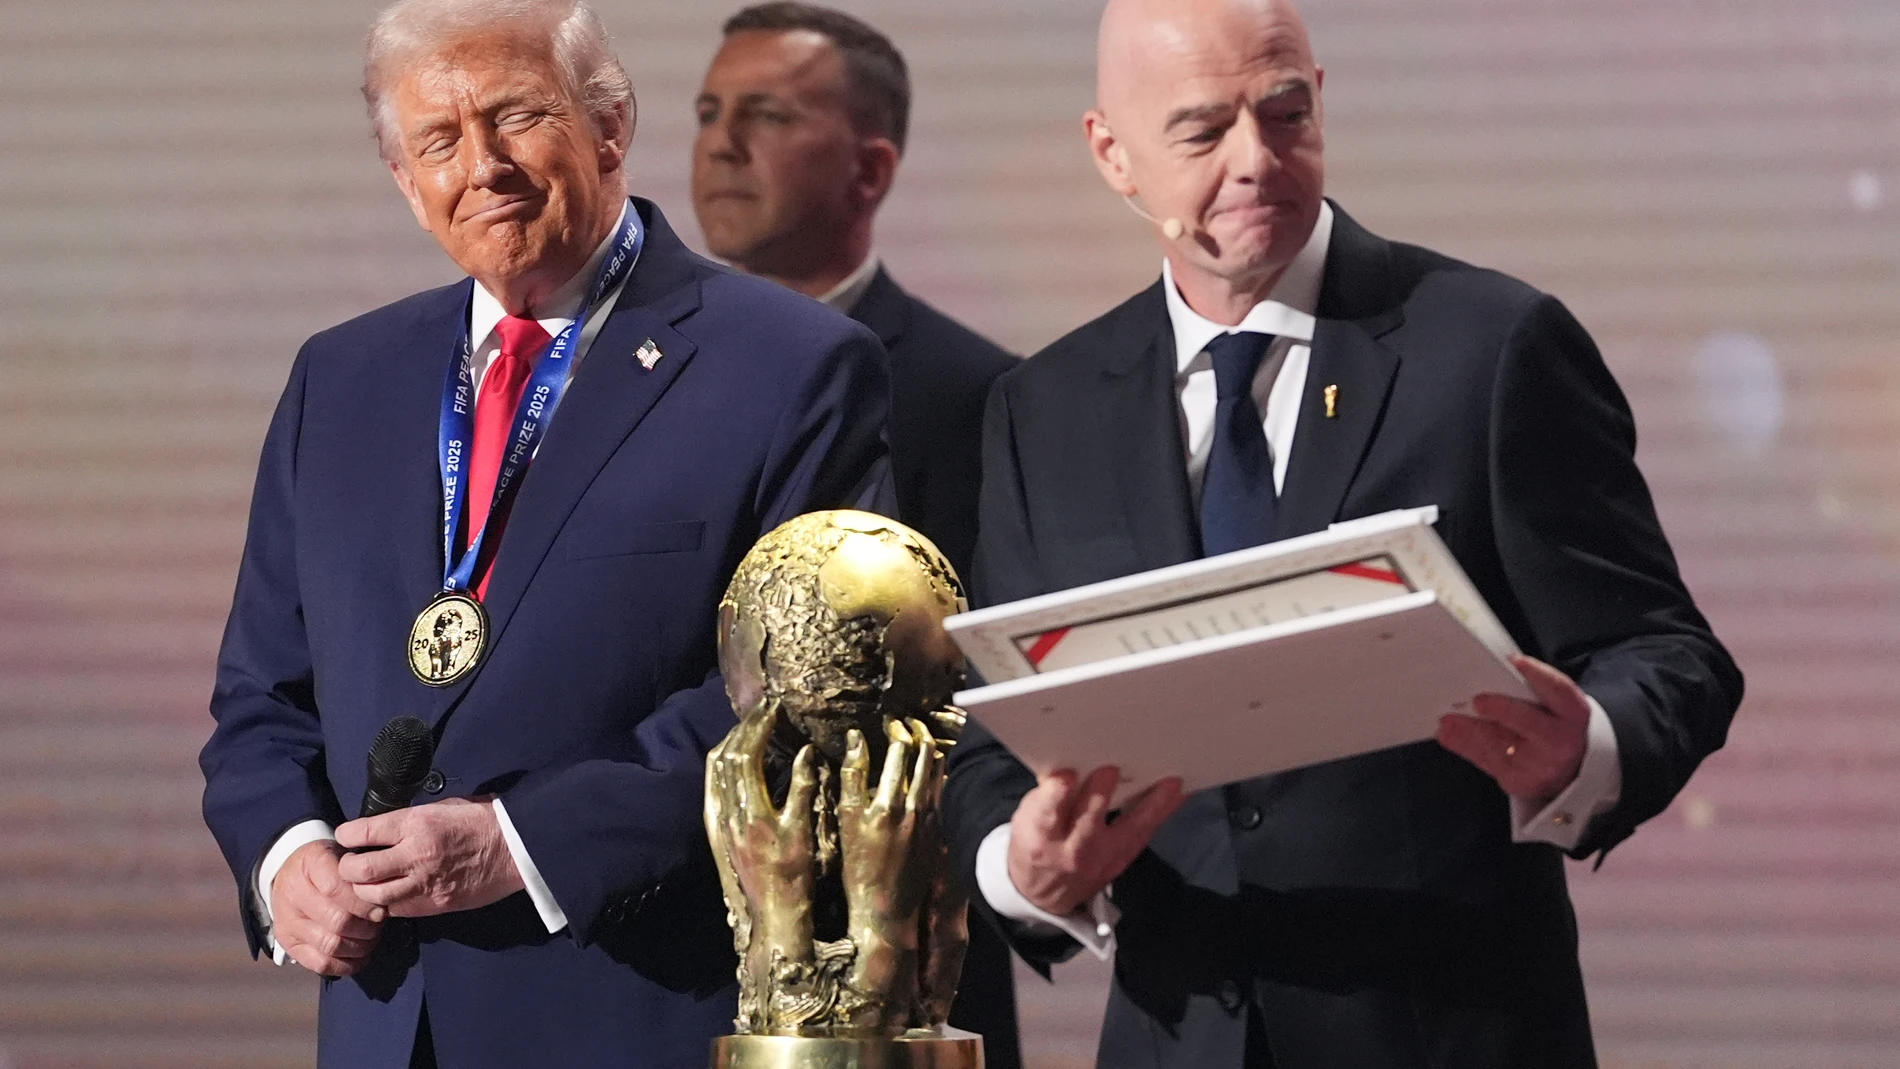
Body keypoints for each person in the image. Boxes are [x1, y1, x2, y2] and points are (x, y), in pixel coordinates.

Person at [939, 0, 1745, 1067]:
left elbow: (1669, 652)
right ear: (1111, 153)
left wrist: (1583, 747)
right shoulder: (1041, 409)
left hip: (1455, 1029)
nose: (1255, 161)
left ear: (1322, 97)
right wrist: (1018, 868)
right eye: (1199, 130)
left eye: (1284, 112)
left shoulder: (1489, 348)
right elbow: (1000, 739)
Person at [197, 0, 888, 1065]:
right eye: (437, 140)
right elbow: (260, 695)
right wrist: (287, 858)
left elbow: (804, 693)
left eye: (516, 117)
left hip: (635, 1011)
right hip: (386, 1024)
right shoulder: (338, 380)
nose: (483, 166)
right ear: (403, 179)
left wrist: (523, 844)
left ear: (609, 125)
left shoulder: (793, 369)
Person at [690, 6, 1023, 1066]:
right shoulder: (636, 384)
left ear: (870, 170)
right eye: (707, 112)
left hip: (906, 966)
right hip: (667, 945)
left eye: (766, 114)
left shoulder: (981, 395)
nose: (719, 143)